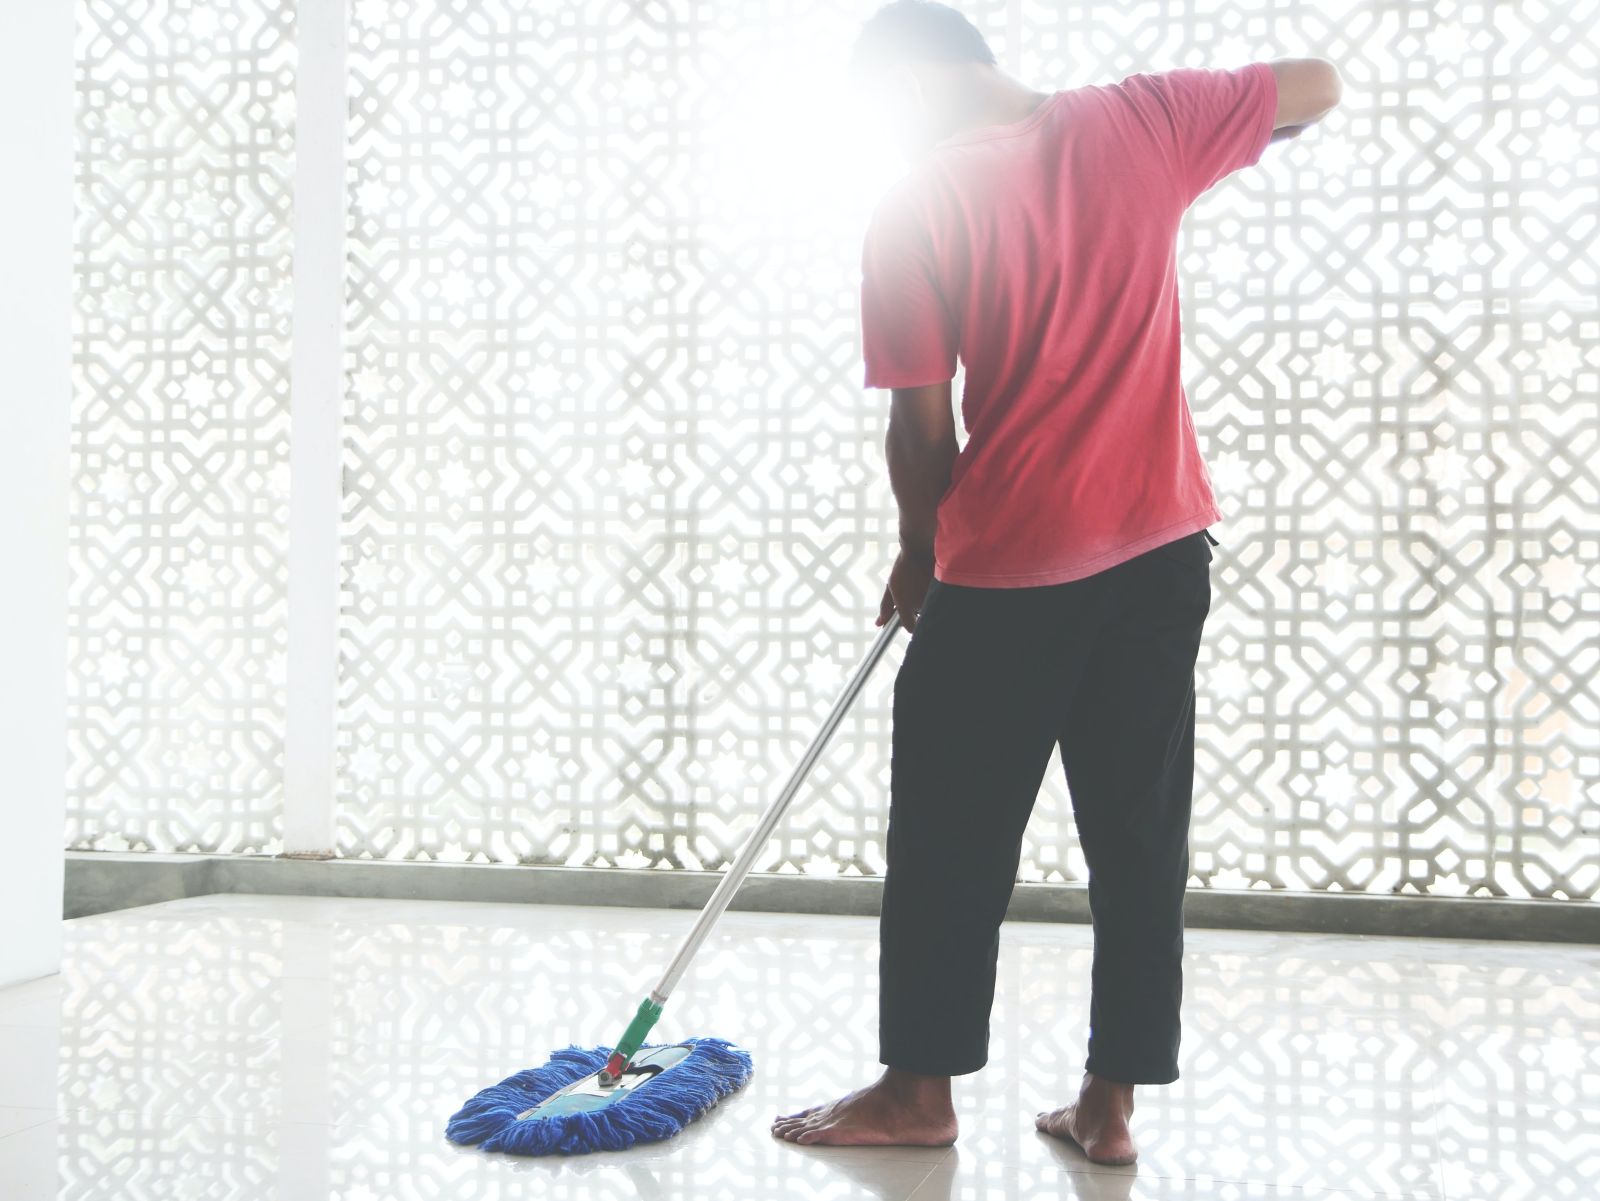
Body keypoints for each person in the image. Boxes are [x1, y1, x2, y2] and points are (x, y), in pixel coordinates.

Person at [770, 0, 1341, 1165]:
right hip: (1161, 554)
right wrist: (1225, 135)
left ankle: (917, 1091)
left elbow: (920, 428)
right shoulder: (1144, 121)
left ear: (914, 85)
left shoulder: (917, 203)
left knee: (948, 832)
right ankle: (1108, 1108)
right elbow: (1316, 84)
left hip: (1012, 565)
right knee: (1138, 837)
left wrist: (916, 550)